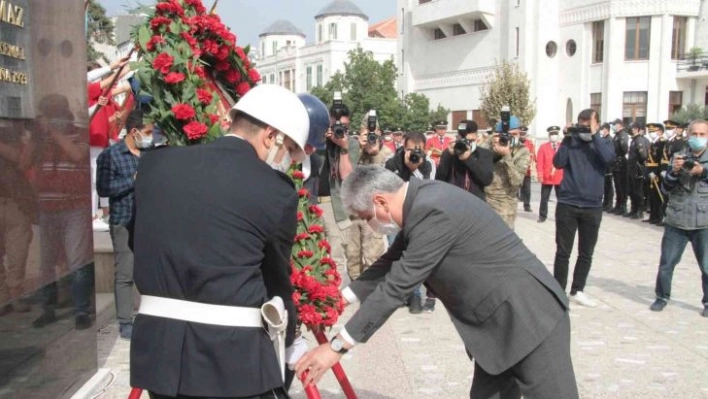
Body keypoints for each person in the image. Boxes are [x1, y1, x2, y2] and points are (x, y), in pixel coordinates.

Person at [295, 166, 578, 399]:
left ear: (380, 201)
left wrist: (337, 347)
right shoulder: (421, 203)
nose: (370, 225)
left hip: (529, 318)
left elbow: (398, 285)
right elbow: (389, 264)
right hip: (496, 326)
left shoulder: (433, 210)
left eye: (368, 217)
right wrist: (336, 300)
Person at [129, 85, 310, 399]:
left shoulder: (154, 165)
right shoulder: (276, 191)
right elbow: (276, 277)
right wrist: (290, 334)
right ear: (272, 136)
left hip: (159, 354)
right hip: (232, 359)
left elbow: (138, 241)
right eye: (291, 149)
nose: (290, 160)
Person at [96, 109, 154, 340]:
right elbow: (104, 189)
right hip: (123, 220)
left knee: (148, 271)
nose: (151, 136)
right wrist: (133, 180)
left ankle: (148, 315)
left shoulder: (151, 153)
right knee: (125, 273)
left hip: (149, 221)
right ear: (134, 132)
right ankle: (125, 322)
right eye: (148, 132)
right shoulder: (110, 155)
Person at [552, 109, 615, 308]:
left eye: (589, 123)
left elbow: (609, 160)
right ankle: (558, 292)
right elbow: (558, 163)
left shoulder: (604, 143)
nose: (585, 126)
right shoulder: (571, 142)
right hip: (568, 204)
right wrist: (566, 137)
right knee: (563, 252)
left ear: (597, 124)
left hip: (592, 206)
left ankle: (577, 290)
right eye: (582, 122)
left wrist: (595, 135)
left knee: (586, 252)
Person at [650, 120, 708, 317]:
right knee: (667, 263)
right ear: (688, 135)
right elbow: (665, 188)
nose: (698, 138)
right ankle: (661, 297)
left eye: (702, 134)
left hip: (704, 221)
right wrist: (674, 172)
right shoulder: (678, 156)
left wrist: (703, 171)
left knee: (707, 266)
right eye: (695, 134)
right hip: (677, 219)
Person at [385, 131, 437, 314]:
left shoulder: (428, 163)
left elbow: (428, 189)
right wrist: (405, 167)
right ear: (403, 147)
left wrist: (414, 168)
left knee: (414, 255)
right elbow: (389, 188)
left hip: (419, 215)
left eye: (418, 150)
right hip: (395, 215)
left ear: (424, 149)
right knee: (397, 254)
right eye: (409, 150)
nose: (413, 154)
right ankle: (401, 294)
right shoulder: (392, 161)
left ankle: (415, 294)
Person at [344, 115, 391, 281]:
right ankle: (355, 288)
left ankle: (370, 291)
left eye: (374, 132)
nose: (371, 136)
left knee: (373, 256)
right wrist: (359, 148)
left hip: (373, 214)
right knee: (352, 255)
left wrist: (374, 151)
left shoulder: (386, 153)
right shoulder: (352, 151)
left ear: (379, 133)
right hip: (353, 213)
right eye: (366, 133)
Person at [480, 116, 530, 229]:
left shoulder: (522, 151)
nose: (510, 138)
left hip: (505, 204)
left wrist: (506, 156)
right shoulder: (489, 145)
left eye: (515, 134)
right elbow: (477, 162)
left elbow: (517, 182)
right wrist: (491, 140)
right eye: (507, 134)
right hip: (484, 200)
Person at [436, 120, 494, 201]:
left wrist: (468, 159)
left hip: (475, 202)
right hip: (453, 201)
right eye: (463, 140)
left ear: (476, 137)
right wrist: (448, 155)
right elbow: (439, 179)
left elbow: (487, 180)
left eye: (469, 141)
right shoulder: (450, 153)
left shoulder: (484, 154)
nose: (466, 144)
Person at [535, 126, 564, 223]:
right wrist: (540, 175)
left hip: (559, 176)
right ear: (549, 135)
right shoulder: (543, 147)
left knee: (561, 198)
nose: (554, 136)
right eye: (552, 134)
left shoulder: (562, 146)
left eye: (555, 134)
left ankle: (561, 216)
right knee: (544, 198)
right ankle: (542, 216)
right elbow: (539, 162)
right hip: (547, 177)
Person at [625, 122, 650, 219]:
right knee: (631, 189)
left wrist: (639, 165)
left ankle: (639, 210)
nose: (632, 130)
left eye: (634, 128)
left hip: (637, 168)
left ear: (638, 129)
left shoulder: (639, 140)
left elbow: (643, 155)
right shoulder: (634, 140)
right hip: (631, 167)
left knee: (638, 190)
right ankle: (633, 209)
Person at [644, 123, 667, 225]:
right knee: (651, 195)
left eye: (653, 131)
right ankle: (652, 216)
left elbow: (661, 160)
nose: (651, 133)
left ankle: (658, 216)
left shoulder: (662, 143)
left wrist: (656, 172)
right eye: (650, 131)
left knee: (657, 196)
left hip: (656, 171)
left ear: (660, 132)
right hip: (650, 170)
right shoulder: (653, 143)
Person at [610, 119, 630, 215]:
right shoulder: (616, 135)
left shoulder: (623, 135)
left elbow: (624, 149)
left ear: (619, 125)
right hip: (616, 163)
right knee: (617, 185)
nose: (613, 126)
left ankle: (623, 206)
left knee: (622, 186)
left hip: (621, 163)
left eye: (614, 124)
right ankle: (618, 204)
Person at [518, 126, 536, 212]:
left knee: (527, 189)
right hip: (516, 170)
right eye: (521, 134)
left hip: (526, 171)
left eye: (523, 134)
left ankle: (527, 205)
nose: (522, 136)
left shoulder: (530, 144)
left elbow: (533, 157)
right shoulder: (515, 143)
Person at [600, 123, 614, 211]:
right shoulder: (604, 139)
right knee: (605, 186)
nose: (602, 131)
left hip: (608, 166)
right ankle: (605, 203)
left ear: (607, 130)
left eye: (603, 129)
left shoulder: (609, 139)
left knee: (609, 186)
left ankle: (609, 204)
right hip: (604, 166)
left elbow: (608, 153)